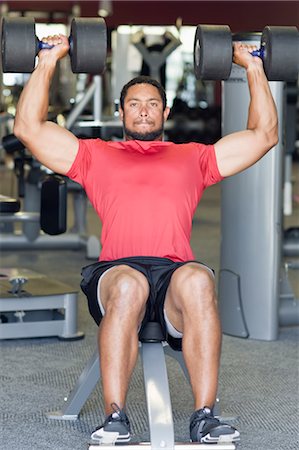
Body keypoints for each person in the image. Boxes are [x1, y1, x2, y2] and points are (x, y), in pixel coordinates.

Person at [13, 32, 278, 445]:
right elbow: (28, 128)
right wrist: (48, 58)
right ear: (121, 111)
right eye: (134, 104)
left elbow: (264, 135)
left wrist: (255, 67)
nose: (143, 111)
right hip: (117, 272)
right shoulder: (93, 155)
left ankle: (205, 417)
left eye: (152, 104)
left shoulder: (195, 157)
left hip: (173, 276)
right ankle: (115, 418)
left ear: (165, 111)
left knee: (199, 279)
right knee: (129, 284)